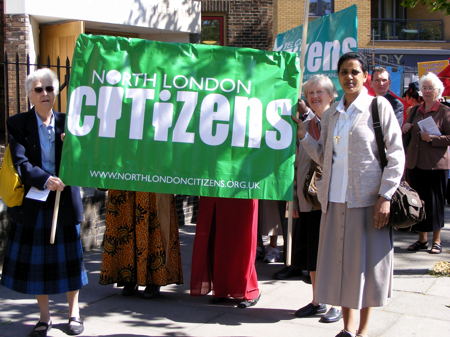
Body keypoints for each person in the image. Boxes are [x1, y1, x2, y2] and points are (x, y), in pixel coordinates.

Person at [295, 52, 404, 337]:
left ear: (365, 76)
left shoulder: (378, 108)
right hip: (334, 202)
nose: (349, 77)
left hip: (367, 202)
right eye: (344, 72)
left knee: (364, 269)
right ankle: (347, 327)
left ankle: (363, 332)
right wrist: (305, 135)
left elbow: (396, 155)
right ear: (338, 76)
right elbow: (323, 157)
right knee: (342, 269)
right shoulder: (332, 114)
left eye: (355, 72)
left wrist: (385, 196)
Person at [1, 68, 87, 336]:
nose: (45, 94)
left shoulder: (69, 122)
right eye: (38, 89)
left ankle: (74, 313)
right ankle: (44, 317)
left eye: (49, 88)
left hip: (65, 199)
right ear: (29, 94)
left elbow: (84, 158)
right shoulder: (18, 124)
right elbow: (21, 162)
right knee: (41, 267)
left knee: (70, 261)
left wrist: (73, 147)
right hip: (36, 201)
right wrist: (45, 179)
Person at [293, 75, 342, 324]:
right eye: (310, 93)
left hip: (330, 199)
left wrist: (304, 133)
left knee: (332, 253)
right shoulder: (309, 119)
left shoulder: (337, 120)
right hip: (308, 199)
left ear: (331, 95)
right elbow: (297, 163)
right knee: (313, 253)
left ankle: (337, 303)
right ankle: (318, 300)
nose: (314, 97)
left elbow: (324, 156)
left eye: (319, 92)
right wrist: (294, 200)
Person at [99, 191, 183, 297]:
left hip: (153, 184)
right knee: (126, 226)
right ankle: (129, 278)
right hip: (126, 183)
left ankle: (154, 280)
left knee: (155, 227)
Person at [403, 72, 450, 255]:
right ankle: (421, 240)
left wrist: (431, 138)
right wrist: (406, 127)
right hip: (415, 164)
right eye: (424, 88)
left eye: (431, 88)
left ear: (438, 91)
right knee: (418, 203)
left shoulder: (445, 112)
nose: (427, 91)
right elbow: (407, 134)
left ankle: (436, 241)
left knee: (435, 204)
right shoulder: (414, 111)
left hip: (436, 165)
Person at [190, 197, 260, 308]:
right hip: (218, 188)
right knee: (219, 237)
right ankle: (221, 288)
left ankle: (248, 289)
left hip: (243, 187)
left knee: (242, 238)